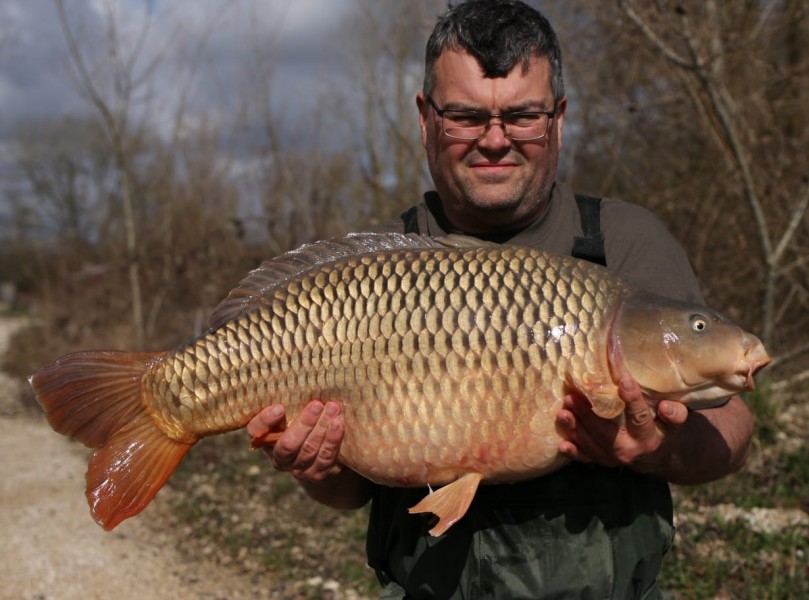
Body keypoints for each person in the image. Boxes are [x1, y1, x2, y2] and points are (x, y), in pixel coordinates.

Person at [247, 1, 755, 598]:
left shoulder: (625, 243)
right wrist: (317, 465)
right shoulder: (371, 270)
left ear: (559, 118)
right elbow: (347, 492)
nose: (494, 141)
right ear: (425, 118)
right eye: (464, 116)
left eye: (522, 117)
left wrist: (660, 450)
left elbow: (734, 429)